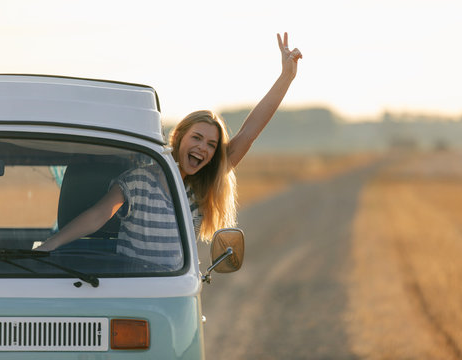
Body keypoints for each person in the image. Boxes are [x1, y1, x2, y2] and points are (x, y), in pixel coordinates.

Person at [36, 33, 302, 262]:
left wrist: (286, 77)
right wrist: (50, 245)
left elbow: (249, 132)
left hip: (175, 290)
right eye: (197, 138)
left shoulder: (200, 190)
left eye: (211, 144)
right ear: (180, 137)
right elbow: (99, 214)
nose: (203, 148)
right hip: (138, 287)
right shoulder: (138, 181)